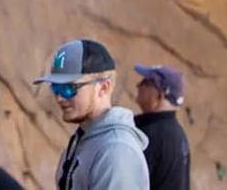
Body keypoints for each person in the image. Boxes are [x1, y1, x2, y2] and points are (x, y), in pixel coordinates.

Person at [34, 39, 148, 189]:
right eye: (56, 87)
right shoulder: (85, 137)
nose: (60, 98)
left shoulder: (116, 150)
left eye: (69, 88)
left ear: (103, 88)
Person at [133, 64, 190, 190]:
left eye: (145, 83)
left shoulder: (149, 134)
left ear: (160, 94)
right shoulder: (179, 134)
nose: (138, 86)